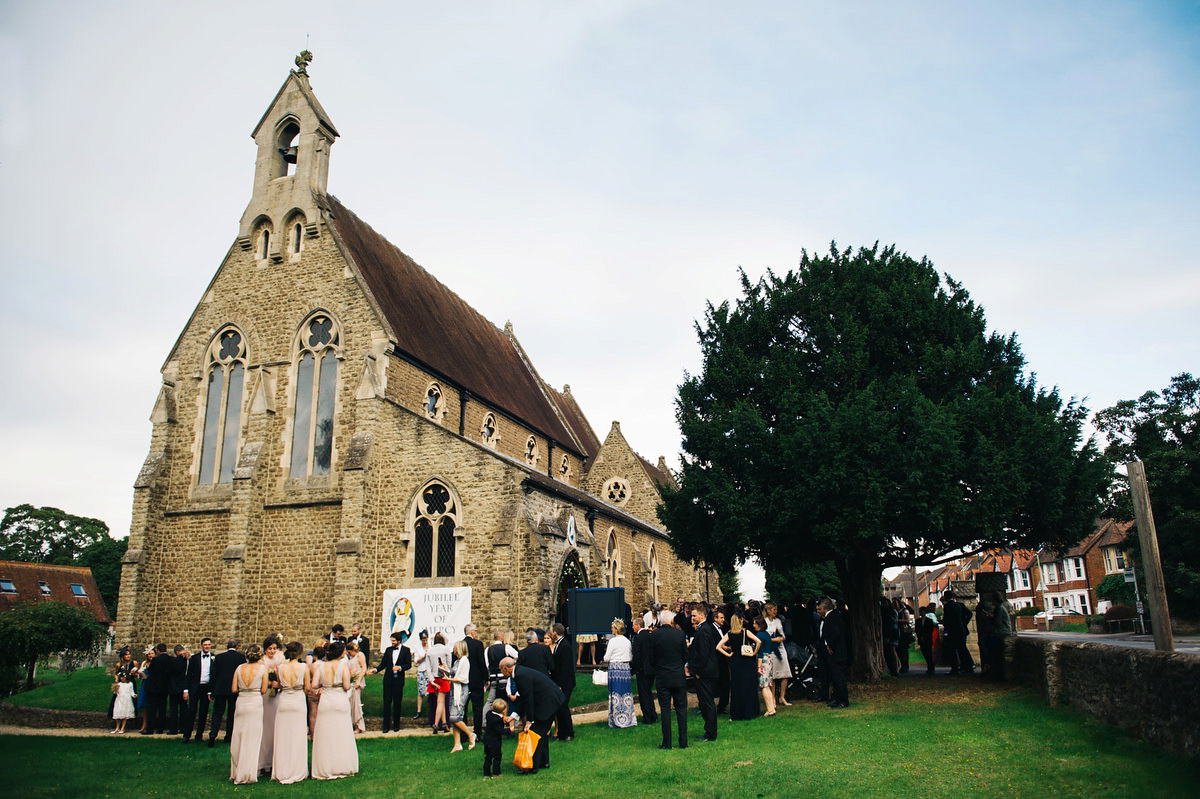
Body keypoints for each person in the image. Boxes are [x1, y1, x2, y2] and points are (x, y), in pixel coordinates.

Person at [499, 656, 565, 774]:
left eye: (501, 670)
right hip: (552, 698)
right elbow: (524, 698)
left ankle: (532, 765)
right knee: (542, 733)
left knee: (535, 732)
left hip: (548, 701)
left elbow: (528, 699)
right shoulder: (520, 672)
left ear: (506, 668)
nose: (501, 673)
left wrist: (530, 721)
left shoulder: (520, 676)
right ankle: (543, 762)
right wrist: (514, 715)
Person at [311, 642, 358, 779]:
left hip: (326, 700)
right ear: (339, 653)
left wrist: (324, 686)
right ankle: (341, 765)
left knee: (326, 733)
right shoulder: (343, 666)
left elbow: (314, 685)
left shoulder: (321, 666)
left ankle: (325, 766)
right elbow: (346, 686)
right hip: (339, 700)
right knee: (341, 732)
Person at [647, 610, 688, 749]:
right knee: (681, 709)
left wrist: (659, 667)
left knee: (665, 709)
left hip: (663, 676)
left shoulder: (655, 635)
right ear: (671, 621)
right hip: (677, 676)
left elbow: (651, 657)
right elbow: (685, 655)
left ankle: (667, 742)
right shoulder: (680, 634)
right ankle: (683, 742)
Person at [230, 644, 268, 784]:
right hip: (255, 702)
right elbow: (264, 690)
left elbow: (234, 689)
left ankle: (236, 771)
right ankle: (248, 772)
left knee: (238, 736)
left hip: (241, 702)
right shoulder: (263, 669)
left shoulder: (239, 668)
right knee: (252, 737)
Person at [272, 641, 310, 784]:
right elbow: (307, 687)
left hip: (284, 702)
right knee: (297, 736)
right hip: (298, 701)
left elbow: (280, 685)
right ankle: (296, 769)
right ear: (299, 653)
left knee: (283, 736)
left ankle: (282, 769)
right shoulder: (303, 667)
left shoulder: (280, 667)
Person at [716, 613, 760, 720]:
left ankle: (737, 712)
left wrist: (728, 654)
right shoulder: (745, 632)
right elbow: (759, 641)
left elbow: (718, 646)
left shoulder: (729, 634)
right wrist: (754, 653)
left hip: (735, 661)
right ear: (740, 621)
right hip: (746, 660)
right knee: (748, 686)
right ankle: (750, 711)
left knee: (737, 687)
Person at [369, 631, 412, 732]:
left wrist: (400, 667)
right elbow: (383, 664)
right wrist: (375, 670)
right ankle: (385, 726)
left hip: (398, 681)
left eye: (393, 641)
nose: (392, 642)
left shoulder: (406, 650)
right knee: (386, 703)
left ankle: (396, 725)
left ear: (399, 641)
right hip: (388, 681)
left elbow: (408, 665)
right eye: (391, 641)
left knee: (397, 703)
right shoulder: (388, 650)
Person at [688, 604, 720, 741]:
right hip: (704, 672)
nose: (692, 618)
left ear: (702, 615)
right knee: (705, 701)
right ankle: (709, 730)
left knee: (707, 702)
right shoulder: (702, 629)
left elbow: (704, 654)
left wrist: (698, 671)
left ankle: (710, 733)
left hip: (705, 673)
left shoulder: (704, 630)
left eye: (694, 615)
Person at [208, 639, 246, 746]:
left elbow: (213, 674)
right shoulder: (241, 658)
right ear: (237, 646)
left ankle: (212, 735)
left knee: (217, 713)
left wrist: (211, 690)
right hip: (234, 689)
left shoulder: (219, 658)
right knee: (232, 713)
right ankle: (229, 735)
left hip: (220, 689)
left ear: (227, 646)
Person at [258, 635, 284, 776]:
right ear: (265, 649)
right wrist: (269, 683)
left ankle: (274, 761)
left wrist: (278, 684)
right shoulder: (262, 661)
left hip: (277, 696)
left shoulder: (280, 659)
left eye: (274, 648)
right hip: (265, 695)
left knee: (275, 727)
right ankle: (263, 762)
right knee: (265, 728)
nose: (272, 651)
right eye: (270, 649)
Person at [603, 618, 636, 728]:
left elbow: (606, 657)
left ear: (616, 629)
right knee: (625, 692)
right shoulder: (627, 641)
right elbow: (630, 656)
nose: (611, 630)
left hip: (615, 668)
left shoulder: (613, 641)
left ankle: (615, 718)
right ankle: (627, 717)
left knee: (615, 694)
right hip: (625, 668)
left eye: (612, 628)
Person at [818, 597, 849, 708]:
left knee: (839, 677)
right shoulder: (829, 617)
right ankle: (836, 698)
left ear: (824, 608)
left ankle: (843, 700)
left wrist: (830, 645)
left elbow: (835, 633)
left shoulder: (833, 617)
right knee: (834, 677)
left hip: (837, 652)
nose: (818, 611)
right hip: (833, 652)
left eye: (820, 609)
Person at [447, 640, 477, 752]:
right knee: (453, 718)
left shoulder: (464, 661)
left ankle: (470, 734)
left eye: (455, 648)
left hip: (461, 691)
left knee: (455, 717)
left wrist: (448, 679)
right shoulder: (457, 662)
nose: (453, 651)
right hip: (454, 690)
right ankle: (457, 744)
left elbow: (462, 678)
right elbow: (453, 673)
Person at [548, 622, 576, 740]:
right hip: (560, 682)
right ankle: (562, 733)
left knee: (563, 707)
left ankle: (568, 733)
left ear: (555, 632)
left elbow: (565, 667)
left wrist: (560, 684)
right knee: (560, 707)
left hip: (565, 683)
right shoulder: (559, 644)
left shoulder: (564, 646)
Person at [182, 638, 214, 743]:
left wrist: (211, 691)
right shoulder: (194, 658)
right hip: (195, 687)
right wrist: (186, 690)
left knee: (203, 712)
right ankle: (186, 735)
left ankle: (199, 735)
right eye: (205, 645)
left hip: (206, 688)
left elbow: (214, 675)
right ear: (201, 645)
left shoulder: (214, 658)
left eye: (209, 645)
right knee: (191, 711)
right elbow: (188, 675)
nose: (207, 646)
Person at [763, 602, 792, 706]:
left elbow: (783, 634)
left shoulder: (778, 621)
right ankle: (773, 698)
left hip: (780, 648)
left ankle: (782, 697)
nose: (775, 612)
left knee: (785, 673)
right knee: (773, 675)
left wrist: (781, 638)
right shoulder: (764, 622)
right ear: (769, 611)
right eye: (773, 610)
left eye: (776, 610)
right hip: (770, 649)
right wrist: (773, 639)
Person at [462, 623, 487, 738]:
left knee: (463, 708)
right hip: (476, 680)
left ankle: (463, 733)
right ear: (472, 632)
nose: (476, 633)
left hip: (463, 680)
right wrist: (485, 678)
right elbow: (481, 662)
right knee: (477, 708)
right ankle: (477, 733)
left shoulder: (460, 644)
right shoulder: (477, 644)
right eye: (475, 631)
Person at [630, 616, 657, 723]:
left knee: (644, 694)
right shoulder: (650, 636)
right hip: (651, 669)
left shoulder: (638, 638)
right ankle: (653, 714)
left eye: (633, 625)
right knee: (649, 693)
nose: (632, 627)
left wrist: (634, 668)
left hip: (642, 670)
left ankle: (647, 717)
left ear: (637, 625)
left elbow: (636, 654)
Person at [941, 592, 975, 675]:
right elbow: (970, 614)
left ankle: (955, 668)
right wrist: (964, 623)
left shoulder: (947, 606)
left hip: (953, 631)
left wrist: (945, 627)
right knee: (962, 649)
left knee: (952, 650)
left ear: (946, 597)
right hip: (961, 630)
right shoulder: (959, 605)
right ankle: (968, 666)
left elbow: (947, 620)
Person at [143, 643, 171, 734]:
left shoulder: (155, 660)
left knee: (152, 708)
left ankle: (150, 729)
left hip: (154, 687)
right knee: (162, 709)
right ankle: (160, 729)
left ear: (158, 651)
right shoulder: (171, 659)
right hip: (165, 687)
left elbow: (150, 670)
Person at [751, 617, 777, 716]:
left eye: (754, 623)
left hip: (764, 661)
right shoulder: (767, 634)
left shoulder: (759, 635)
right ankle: (772, 706)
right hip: (770, 659)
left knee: (764, 686)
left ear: (759, 624)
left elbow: (760, 653)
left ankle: (770, 709)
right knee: (768, 685)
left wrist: (758, 666)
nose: (753, 625)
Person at [427, 632, 452, 732]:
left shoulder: (430, 651)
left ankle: (445, 723)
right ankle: (436, 724)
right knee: (441, 702)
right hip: (443, 677)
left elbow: (427, 668)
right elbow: (449, 666)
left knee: (439, 703)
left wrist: (431, 680)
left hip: (434, 678)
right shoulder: (446, 649)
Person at [482, 698, 513, 778]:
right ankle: (496, 772)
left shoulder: (489, 714)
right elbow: (500, 730)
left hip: (487, 740)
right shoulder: (498, 720)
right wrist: (510, 730)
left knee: (488, 757)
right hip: (494, 741)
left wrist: (502, 720)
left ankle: (486, 772)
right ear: (503, 711)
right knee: (497, 757)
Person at [344, 640, 368, 734]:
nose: (349, 654)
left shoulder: (360, 655)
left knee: (357, 704)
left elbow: (364, 668)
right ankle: (354, 724)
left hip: (358, 681)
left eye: (350, 652)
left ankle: (360, 726)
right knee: (352, 703)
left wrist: (358, 680)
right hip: (352, 682)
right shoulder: (351, 658)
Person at [167, 644, 189, 735]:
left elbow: (169, 673)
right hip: (184, 687)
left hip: (174, 687)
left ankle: (173, 729)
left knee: (174, 709)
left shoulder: (173, 661)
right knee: (184, 709)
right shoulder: (187, 661)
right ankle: (184, 727)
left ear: (176, 652)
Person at [411, 630, 430, 720]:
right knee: (421, 692)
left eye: (425, 639)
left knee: (431, 691)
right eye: (423, 640)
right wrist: (423, 657)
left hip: (429, 671)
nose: (424, 641)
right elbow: (416, 660)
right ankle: (418, 710)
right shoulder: (417, 647)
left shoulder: (431, 645)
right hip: (422, 670)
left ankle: (431, 710)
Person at [915, 604, 938, 676]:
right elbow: (917, 630)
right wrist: (920, 636)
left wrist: (925, 636)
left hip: (928, 639)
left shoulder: (929, 620)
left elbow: (930, 630)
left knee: (929, 653)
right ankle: (930, 665)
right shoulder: (918, 621)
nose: (921, 613)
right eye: (920, 611)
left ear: (925, 612)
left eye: (922, 611)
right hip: (921, 639)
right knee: (924, 653)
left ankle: (931, 667)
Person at [880, 596, 900, 677]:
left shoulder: (891, 612)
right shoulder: (883, 611)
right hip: (888, 633)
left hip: (892, 633)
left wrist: (888, 637)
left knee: (892, 651)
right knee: (889, 652)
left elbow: (891, 624)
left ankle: (894, 669)